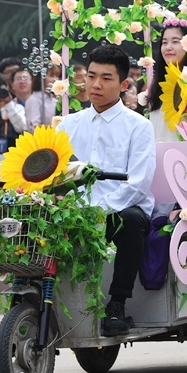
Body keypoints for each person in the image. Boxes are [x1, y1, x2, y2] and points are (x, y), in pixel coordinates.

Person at [56, 45, 156, 336]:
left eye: (106, 78)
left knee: (133, 220)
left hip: (117, 211)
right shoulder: (68, 125)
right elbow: (57, 175)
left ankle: (117, 305)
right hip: (75, 211)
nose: (96, 85)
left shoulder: (138, 126)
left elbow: (138, 184)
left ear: (124, 84)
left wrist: (98, 211)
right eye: (91, 76)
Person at [25, 65, 60, 129]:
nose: (56, 79)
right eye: (51, 76)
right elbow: (34, 126)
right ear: (41, 78)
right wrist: (58, 126)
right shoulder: (34, 100)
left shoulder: (54, 98)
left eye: (57, 76)